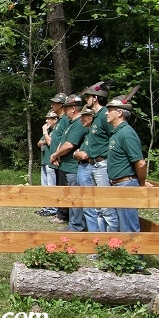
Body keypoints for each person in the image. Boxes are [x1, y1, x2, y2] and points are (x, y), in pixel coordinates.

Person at [105, 90, 153, 233]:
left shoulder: (126, 133)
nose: (107, 113)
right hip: (117, 184)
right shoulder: (117, 132)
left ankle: (134, 255)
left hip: (125, 184)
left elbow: (140, 163)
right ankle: (123, 254)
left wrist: (142, 183)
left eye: (110, 110)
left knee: (128, 228)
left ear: (119, 113)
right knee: (122, 225)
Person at [75, 81, 118, 232]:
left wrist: (98, 155)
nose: (86, 100)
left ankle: (112, 247)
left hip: (102, 165)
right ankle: (99, 244)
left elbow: (115, 139)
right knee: (97, 206)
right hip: (93, 165)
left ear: (95, 98)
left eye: (88, 97)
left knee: (106, 207)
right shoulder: (96, 116)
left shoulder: (104, 115)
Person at [50, 94, 89, 232]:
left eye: (66, 108)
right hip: (66, 165)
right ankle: (73, 224)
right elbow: (63, 142)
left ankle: (76, 226)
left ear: (73, 109)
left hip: (73, 167)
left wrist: (55, 154)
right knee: (70, 197)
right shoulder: (71, 123)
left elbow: (69, 145)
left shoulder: (79, 124)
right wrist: (58, 155)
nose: (64, 110)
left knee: (75, 198)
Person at [46, 93, 69, 224]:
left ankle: (63, 215)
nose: (52, 105)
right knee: (59, 186)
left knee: (63, 188)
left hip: (62, 160)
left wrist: (57, 155)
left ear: (61, 105)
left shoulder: (66, 119)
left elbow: (65, 140)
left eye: (54, 103)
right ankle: (60, 213)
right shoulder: (61, 120)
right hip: (57, 159)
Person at [36, 109, 58, 216]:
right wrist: (45, 137)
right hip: (44, 160)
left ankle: (52, 208)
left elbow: (50, 142)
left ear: (55, 120)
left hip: (51, 162)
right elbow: (39, 143)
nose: (47, 120)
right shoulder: (48, 131)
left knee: (51, 185)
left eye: (49, 118)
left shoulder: (56, 131)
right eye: (47, 118)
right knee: (44, 185)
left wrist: (45, 133)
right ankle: (45, 206)